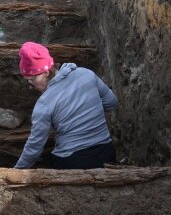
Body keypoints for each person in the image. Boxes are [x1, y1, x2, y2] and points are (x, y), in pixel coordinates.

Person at [14, 41, 118, 169]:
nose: (30, 86)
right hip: (106, 154)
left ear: (46, 72)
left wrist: (17, 171)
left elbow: (35, 147)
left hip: (71, 162)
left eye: (32, 80)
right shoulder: (86, 74)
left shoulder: (44, 103)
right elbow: (112, 102)